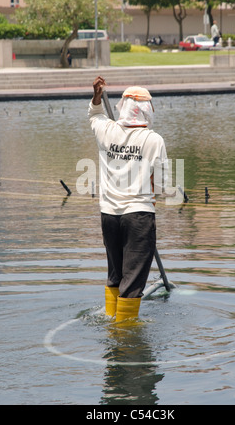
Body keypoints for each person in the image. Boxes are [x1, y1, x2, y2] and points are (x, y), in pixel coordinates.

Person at [88, 76, 168, 322]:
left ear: (123, 107)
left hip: (109, 215)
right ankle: (125, 339)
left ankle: (111, 323)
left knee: (116, 275)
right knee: (132, 283)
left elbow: (94, 116)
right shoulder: (153, 140)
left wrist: (97, 97)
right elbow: (163, 185)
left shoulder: (107, 131)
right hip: (139, 216)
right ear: (146, 110)